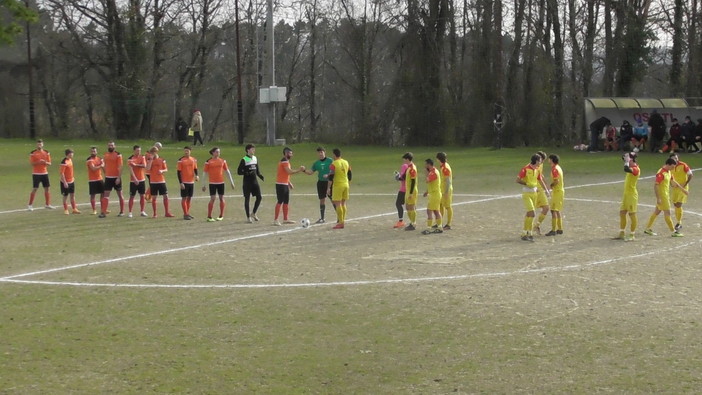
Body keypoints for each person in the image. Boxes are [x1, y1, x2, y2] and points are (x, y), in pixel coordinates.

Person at [643, 157, 687, 237]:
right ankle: (673, 231)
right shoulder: (661, 173)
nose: (673, 168)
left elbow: (673, 181)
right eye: (673, 167)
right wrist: (658, 198)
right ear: (668, 164)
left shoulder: (669, 172)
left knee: (657, 212)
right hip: (663, 196)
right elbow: (656, 185)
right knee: (668, 213)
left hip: (666, 195)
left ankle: (647, 228)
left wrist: (682, 189)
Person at [201, 146, 235, 222]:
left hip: (221, 182)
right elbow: (205, 173)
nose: (218, 153)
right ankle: (209, 216)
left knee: (221, 198)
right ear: (213, 152)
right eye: (217, 152)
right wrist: (203, 184)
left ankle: (221, 215)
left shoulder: (223, 161)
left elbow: (227, 172)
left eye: (219, 152)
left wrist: (232, 182)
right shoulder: (208, 162)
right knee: (212, 198)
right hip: (212, 183)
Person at [516, 154, 545, 241]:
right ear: (536, 161)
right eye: (540, 160)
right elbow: (517, 180)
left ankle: (526, 233)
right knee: (532, 213)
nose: (541, 162)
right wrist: (526, 184)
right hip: (527, 193)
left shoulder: (537, 170)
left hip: (534, 193)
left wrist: (545, 190)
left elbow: (539, 180)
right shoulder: (525, 169)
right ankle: (528, 233)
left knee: (529, 214)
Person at [273, 147, 305, 226]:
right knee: (280, 201)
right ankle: (276, 219)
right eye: (290, 153)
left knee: (286, 201)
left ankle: (285, 219)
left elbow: (284, 173)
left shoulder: (286, 161)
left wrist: (289, 182)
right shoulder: (284, 161)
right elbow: (289, 172)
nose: (291, 155)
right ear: (286, 153)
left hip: (285, 184)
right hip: (280, 184)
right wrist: (299, 170)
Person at [303, 146, 334, 224]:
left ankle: (339, 217)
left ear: (324, 152)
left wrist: (328, 175)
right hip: (320, 183)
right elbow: (310, 172)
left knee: (333, 199)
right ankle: (322, 218)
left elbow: (334, 170)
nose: (320, 154)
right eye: (319, 152)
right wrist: (303, 170)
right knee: (322, 200)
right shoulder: (316, 163)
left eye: (322, 152)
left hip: (329, 182)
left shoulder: (330, 161)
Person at [615, 152, 640, 241]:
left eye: (627, 159)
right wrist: (626, 159)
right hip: (626, 195)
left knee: (632, 214)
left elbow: (626, 169)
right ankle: (622, 233)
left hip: (632, 195)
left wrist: (627, 161)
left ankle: (632, 234)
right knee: (622, 213)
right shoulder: (631, 167)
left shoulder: (636, 169)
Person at [237, 144, 264, 223]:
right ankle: (248, 217)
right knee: (247, 199)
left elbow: (257, 170)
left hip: (254, 182)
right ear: (248, 150)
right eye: (252, 149)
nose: (254, 151)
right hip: (247, 182)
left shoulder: (255, 158)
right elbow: (239, 171)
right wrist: (246, 172)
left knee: (259, 197)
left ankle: (253, 213)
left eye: (254, 149)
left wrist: (260, 175)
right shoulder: (244, 159)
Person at [146, 146, 174, 218]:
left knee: (165, 196)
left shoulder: (162, 159)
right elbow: (148, 168)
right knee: (154, 197)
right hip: (153, 181)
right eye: (151, 153)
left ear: (156, 152)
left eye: (153, 152)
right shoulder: (149, 159)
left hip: (161, 181)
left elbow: (166, 169)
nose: (151, 154)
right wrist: (151, 160)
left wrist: (162, 171)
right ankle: (155, 214)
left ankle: (167, 212)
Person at [327, 148, 351, 229]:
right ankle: (342, 220)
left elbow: (331, 176)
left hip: (338, 185)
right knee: (343, 203)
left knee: (337, 203)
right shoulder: (346, 162)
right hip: (346, 184)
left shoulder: (333, 164)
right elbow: (350, 174)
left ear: (334, 154)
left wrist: (329, 188)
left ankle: (341, 222)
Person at [27, 139, 54, 210]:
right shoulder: (33, 153)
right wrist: (39, 162)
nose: (39, 145)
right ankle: (30, 205)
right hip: (36, 173)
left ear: (43, 144)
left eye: (40, 144)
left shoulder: (46, 152)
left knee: (47, 188)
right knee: (35, 188)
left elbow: (50, 163)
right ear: (36, 145)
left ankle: (47, 204)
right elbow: (32, 163)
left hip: (44, 173)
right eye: (38, 144)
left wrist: (45, 162)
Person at [669, 153, 692, 232]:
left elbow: (690, 174)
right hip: (675, 188)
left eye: (676, 158)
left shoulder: (683, 165)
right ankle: (678, 221)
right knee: (675, 204)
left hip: (683, 188)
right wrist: (670, 184)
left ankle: (679, 223)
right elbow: (669, 176)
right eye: (673, 158)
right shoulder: (670, 166)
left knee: (678, 204)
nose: (675, 159)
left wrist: (685, 184)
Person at [101, 141, 125, 217]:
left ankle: (122, 211)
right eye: (109, 145)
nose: (110, 147)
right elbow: (104, 165)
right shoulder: (106, 154)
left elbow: (120, 167)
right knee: (106, 195)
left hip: (116, 177)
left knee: (120, 194)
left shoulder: (118, 155)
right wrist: (106, 173)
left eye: (112, 145)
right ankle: (104, 212)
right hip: (108, 178)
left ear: (114, 146)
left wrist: (118, 177)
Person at [421, 158, 443, 235]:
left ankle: (429, 229)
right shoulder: (433, 172)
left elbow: (428, 180)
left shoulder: (433, 173)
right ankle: (439, 227)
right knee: (436, 211)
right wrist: (427, 192)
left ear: (429, 164)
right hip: (434, 194)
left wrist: (426, 173)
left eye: (426, 164)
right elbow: (431, 183)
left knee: (429, 211)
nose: (425, 166)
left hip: (435, 195)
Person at [177, 146, 199, 220]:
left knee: (189, 198)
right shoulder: (181, 160)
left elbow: (195, 168)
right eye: (185, 151)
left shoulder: (193, 160)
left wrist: (197, 175)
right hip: (184, 182)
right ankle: (185, 214)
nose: (186, 152)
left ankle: (187, 213)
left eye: (188, 151)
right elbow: (178, 172)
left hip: (191, 181)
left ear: (190, 151)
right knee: (184, 198)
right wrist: (181, 182)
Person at [544, 154, 564, 236]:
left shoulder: (554, 169)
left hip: (557, 191)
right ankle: (560, 228)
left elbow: (556, 181)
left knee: (553, 210)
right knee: (557, 210)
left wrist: (550, 186)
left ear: (551, 160)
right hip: (560, 191)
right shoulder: (558, 167)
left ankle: (553, 230)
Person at [532, 151, 551, 235]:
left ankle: (536, 225)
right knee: (531, 210)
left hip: (540, 189)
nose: (542, 162)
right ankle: (528, 229)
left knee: (546, 208)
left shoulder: (540, 165)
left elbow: (541, 176)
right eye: (542, 160)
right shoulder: (532, 166)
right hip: (535, 189)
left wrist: (546, 186)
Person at [127, 145, 148, 218]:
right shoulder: (130, 159)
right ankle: (130, 212)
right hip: (133, 181)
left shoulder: (142, 157)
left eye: (139, 150)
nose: (138, 152)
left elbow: (144, 165)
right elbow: (131, 170)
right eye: (137, 150)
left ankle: (142, 211)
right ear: (134, 150)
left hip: (142, 179)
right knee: (132, 196)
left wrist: (136, 165)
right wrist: (135, 178)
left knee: (142, 195)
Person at [400, 152, 419, 231]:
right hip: (408, 190)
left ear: (407, 159)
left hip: (412, 191)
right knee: (408, 207)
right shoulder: (409, 167)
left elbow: (413, 181)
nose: (404, 160)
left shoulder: (412, 169)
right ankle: (412, 222)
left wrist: (411, 193)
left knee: (411, 207)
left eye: (404, 159)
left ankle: (413, 223)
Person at [59, 148, 80, 215]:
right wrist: (65, 182)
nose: (72, 154)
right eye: (72, 153)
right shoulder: (64, 162)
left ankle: (74, 209)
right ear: (68, 154)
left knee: (72, 195)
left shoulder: (70, 160)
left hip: (71, 181)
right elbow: (62, 173)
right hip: (65, 182)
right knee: (65, 196)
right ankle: (66, 209)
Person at [86, 146, 105, 216]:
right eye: (92, 151)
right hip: (92, 180)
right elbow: (93, 169)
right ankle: (94, 210)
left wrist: (106, 175)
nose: (93, 152)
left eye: (94, 151)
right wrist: (101, 165)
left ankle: (103, 209)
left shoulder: (100, 159)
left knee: (103, 193)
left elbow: (104, 168)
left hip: (100, 179)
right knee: (92, 195)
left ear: (97, 152)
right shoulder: (89, 160)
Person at [436, 152, 453, 230]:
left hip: (446, 189)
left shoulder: (445, 167)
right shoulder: (443, 166)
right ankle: (440, 222)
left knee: (448, 206)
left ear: (439, 159)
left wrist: (446, 192)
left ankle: (448, 224)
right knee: (440, 205)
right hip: (442, 189)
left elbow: (448, 180)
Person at [392, 158, 410, 229]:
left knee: (398, 203)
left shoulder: (404, 166)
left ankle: (401, 221)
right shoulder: (411, 167)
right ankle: (413, 221)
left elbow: (403, 178)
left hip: (403, 189)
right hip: (408, 188)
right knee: (410, 205)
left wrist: (397, 177)